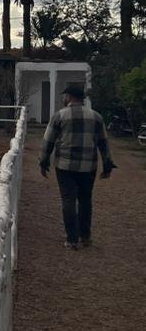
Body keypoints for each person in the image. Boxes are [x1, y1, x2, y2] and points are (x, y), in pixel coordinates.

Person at [39, 82, 115, 249]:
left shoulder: (59, 115)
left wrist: (43, 161)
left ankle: (71, 239)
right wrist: (107, 164)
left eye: (65, 96)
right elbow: (103, 142)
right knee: (85, 200)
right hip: (88, 166)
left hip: (65, 165)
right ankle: (85, 236)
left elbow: (48, 141)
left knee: (68, 200)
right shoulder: (96, 116)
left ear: (69, 97)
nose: (64, 99)